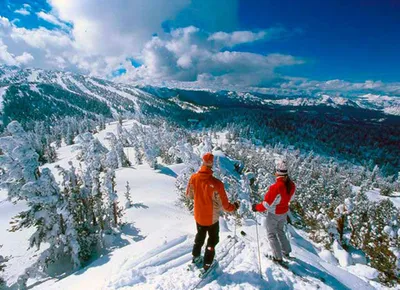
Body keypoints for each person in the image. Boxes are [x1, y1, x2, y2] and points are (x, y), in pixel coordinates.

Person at [186, 152, 240, 271]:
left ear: (203, 162)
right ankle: (207, 265)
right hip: (212, 218)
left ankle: (195, 257)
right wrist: (234, 206)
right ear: (212, 164)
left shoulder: (193, 178)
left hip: (199, 216)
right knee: (212, 240)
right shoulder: (217, 184)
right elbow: (226, 206)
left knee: (200, 236)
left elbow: (189, 195)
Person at [252, 160, 296, 263]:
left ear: (277, 173)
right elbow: (291, 198)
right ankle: (286, 251)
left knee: (271, 234)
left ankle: (277, 257)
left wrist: (255, 207)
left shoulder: (276, 187)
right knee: (280, 231)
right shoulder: (292, 185)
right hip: (284, 212)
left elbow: (266, 205)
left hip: (274, 214)